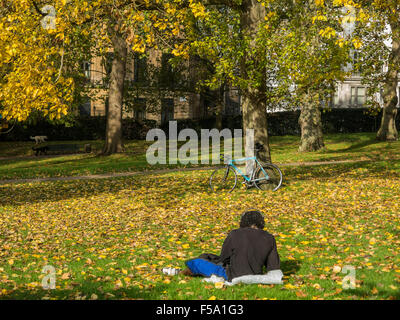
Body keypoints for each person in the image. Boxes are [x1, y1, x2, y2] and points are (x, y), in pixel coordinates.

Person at [179, 210, 280, 282]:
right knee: (208, 256)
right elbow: (273, 267)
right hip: (256, 274)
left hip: (232, 275)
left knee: (198, 262)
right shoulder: (269, 238)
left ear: (243, 222)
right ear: (261, 223)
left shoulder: (235, 233)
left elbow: (224, 258)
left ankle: (181, 272)